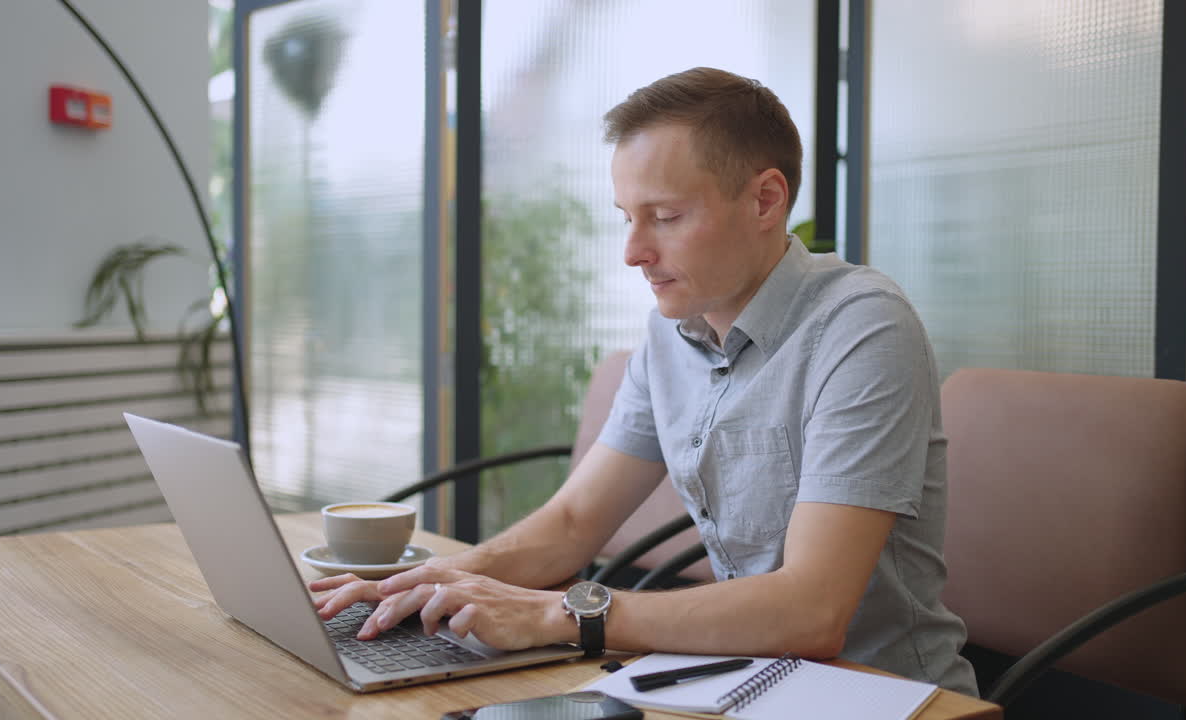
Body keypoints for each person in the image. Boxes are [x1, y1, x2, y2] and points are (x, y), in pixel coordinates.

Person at [311, 66, 978, 696]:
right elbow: (573, 523)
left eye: (666, 216)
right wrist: (424, 582)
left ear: (766, 200)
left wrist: (553, 614)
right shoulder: (670, 333)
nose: (633, 252)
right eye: (627, 217)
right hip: (744, 681)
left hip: (882, 695)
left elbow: (812, 609)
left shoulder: (862, 327)